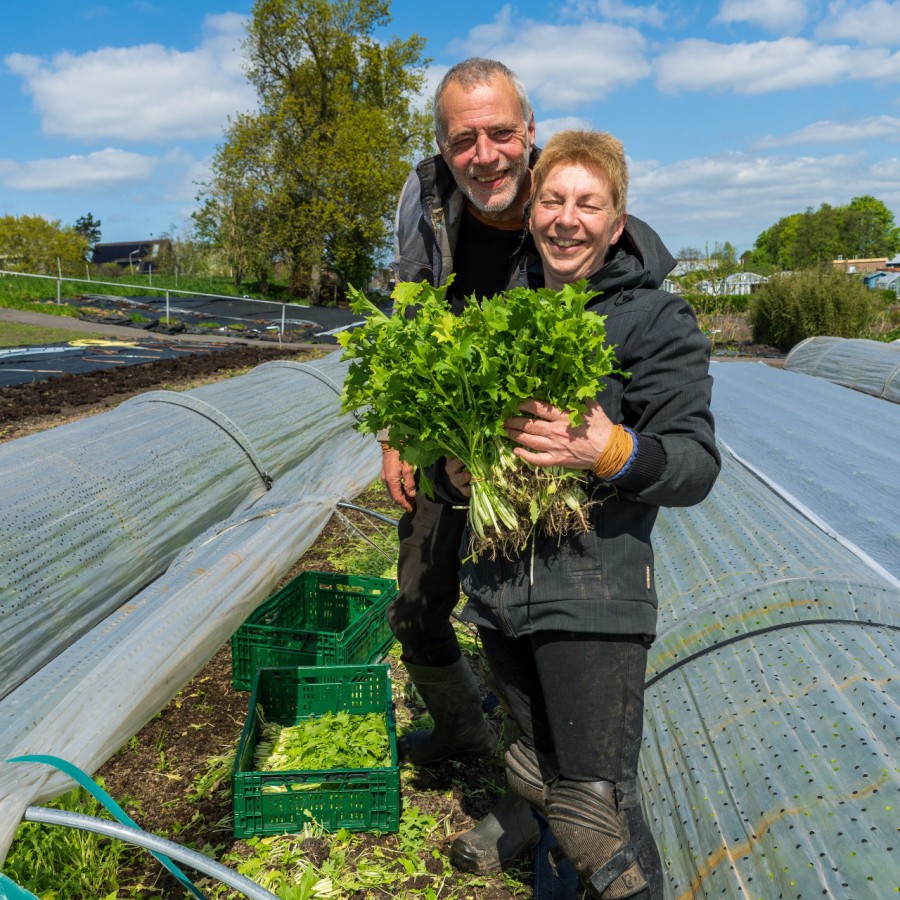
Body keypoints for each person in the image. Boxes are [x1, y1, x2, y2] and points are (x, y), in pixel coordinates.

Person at [438, 130, 721, 898]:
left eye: (587, 203)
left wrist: (611, 449)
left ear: (616, 221)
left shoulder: (655, 321)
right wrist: (458, 470)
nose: (567, 218)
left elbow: (694, 464)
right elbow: (455, 461)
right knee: (540, 778)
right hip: (499, 594)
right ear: (532, 213)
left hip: (592, 600)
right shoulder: (500, 312)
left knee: (599, 817)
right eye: (553, 200)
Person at [382, 57, 543, 872]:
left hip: (541, 446)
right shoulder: (426, 201)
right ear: (444, 148)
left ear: (530, 132)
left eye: (500, 133)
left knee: (527, 626)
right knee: (414, 604)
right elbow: (406, 316)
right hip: (447, 435)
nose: (484, 154)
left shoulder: (566, 200)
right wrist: (396, 435)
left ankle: (529, 802)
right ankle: (458, 727)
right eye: (463, 139)